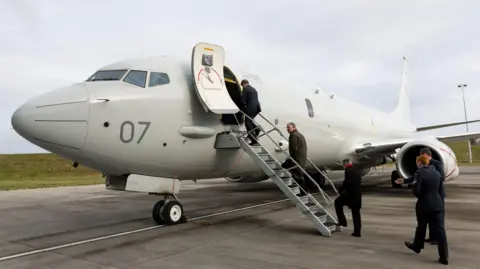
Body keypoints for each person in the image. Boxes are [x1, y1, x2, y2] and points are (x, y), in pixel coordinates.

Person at [404, 155, 449, 265]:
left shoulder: (419, 173)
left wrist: (417, 193)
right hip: (438, 205)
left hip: (424, 205)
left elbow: (417, 190)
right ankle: (444, 256)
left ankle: (417, 246)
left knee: (421, 227)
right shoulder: (437, 173)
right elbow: (441, 191)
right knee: (441, 231)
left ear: (420, 163)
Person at [396, 147, 444, 244]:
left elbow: (441, 177)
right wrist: (404, 180)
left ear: (427, 154)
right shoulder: (421, 169)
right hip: (426, 196)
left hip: (437, 195)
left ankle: (437, 238)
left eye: (422, 155)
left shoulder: (437, 164)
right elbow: (415, 177)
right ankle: (432, 237)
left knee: (437, 221)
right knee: (429, 219)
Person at [334, 159, 362, 237]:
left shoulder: (348, 170)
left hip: (350, 195)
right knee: (356, 213)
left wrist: (339, 191)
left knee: (337, 202)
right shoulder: (356, 170)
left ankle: (342, 221)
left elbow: (347, 182)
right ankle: (357, 232)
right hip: (358, 195)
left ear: (345, 164)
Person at [281, 122, 310, 195]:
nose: (287, 129)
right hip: (302, 158)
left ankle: (304, 191)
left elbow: (294, 149)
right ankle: (304, 191)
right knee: (298, 175)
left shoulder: (293, 136)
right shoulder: (300, 135)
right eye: (287, 127)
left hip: (297, 159)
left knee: (296, 174)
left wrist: (292, 160)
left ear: (294, 127)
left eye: (289, 127)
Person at [240, 79, 262, 146]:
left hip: (250, 108)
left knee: (248, 124)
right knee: (249, 121)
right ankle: (257, 129)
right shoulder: (254, 89)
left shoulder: (246, 89)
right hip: (256, 108)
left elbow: (242, 100)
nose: (242, 87)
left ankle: (254, 141)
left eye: (242, 86)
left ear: (244, 84)